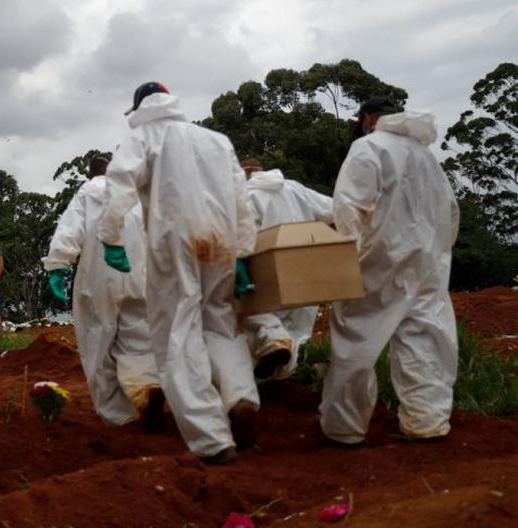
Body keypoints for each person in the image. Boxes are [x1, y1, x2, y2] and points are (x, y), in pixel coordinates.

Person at [97, 82, 259, 464]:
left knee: (177, 333)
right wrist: (243, 252)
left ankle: (211, 437)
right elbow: (241, 198)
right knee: (218, 322)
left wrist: (111, 237)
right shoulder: (215, 140)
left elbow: (120, 184)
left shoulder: (143, 136)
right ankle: (240, 396)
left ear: (139, 107)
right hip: (220, 240)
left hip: (174, 240)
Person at [319, 98, 459, 445]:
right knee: (424, 336)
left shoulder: (368, 147)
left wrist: (347, 256)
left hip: (380, 259)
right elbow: (451, 211)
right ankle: (427, 421)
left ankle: (344, 428)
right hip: (428, 262)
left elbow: (349, 206)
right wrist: (439, 251)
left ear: (368, 118)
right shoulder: (427, 157)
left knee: (357, 335)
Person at [43, 155, 164, 429]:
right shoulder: (136, 193)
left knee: (98, 342)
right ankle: (147, 385)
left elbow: (70, 230)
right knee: (139, 337)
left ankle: (118, 414)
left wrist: (58, 265)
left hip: (100, 276)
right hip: (139, 276)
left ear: (91, 173)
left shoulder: (89, 191)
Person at [238, 161, 334, 380]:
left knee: (253, 315)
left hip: (269, 275)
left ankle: (271, 357)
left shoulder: (247, 196)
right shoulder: (295, 188)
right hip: (308, 272)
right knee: (295, 332)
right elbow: (334, 209)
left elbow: (243, 238)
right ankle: (281, 381)